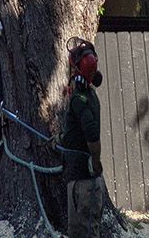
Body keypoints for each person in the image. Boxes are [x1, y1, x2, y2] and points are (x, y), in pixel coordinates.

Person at [61, 39, 105, 238]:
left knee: (83, 232)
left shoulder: (81, 99)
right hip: (79, 179)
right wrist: (62, 138)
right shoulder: (89, 95)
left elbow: (91, 134)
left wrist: (95, 162)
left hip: (83, 183)